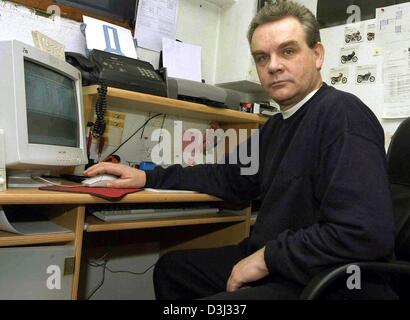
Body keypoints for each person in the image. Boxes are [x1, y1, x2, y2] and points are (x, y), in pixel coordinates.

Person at [84, 1, 397, 299]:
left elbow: (364, 232)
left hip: (330, 282)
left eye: (287, 51)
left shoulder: (343, 115)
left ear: (317, 55)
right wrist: (147, 176)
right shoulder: (275, 127)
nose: (273, 66)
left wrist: (266, 259)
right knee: (173, 270)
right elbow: (225, 177)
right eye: (262, 57)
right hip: (284, 266)